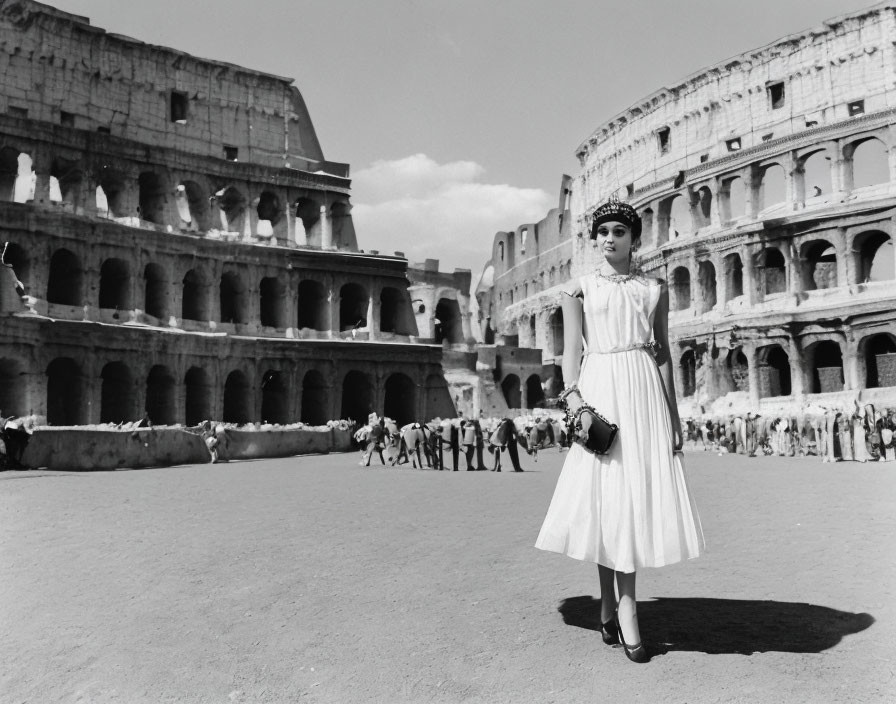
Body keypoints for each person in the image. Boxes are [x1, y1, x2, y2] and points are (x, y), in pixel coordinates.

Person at [534, 198, 704, 664]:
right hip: (599, 389)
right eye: (602, 231)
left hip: (643, 393)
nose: (609, 238)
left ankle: (621, 607)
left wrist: (673, 417)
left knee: (632, 498)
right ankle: (613, 604)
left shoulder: (654, 288)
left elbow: (663, 353)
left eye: (618, 231)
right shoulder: (579, 290)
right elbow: (570, 352)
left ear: (635, 238)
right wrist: (574, 403)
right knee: (606, 500)